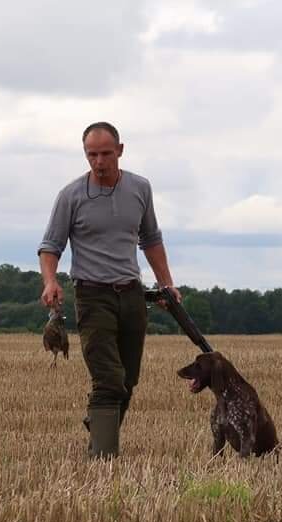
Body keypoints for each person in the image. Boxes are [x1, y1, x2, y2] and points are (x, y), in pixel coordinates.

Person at [38, 122, 181, 459]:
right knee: (109, 380)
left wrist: (167, 284)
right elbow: (50, 246)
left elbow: (151, 240)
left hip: (131, 295)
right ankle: (103, 459)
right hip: (92, 296)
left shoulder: (140, 189)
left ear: (120, 150)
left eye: (105, 153)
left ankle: (99, 424)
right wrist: (50, 280)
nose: (98, 161)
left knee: (127, 381)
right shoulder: (70, 195)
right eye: (91, 154)